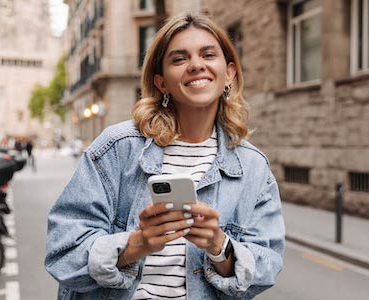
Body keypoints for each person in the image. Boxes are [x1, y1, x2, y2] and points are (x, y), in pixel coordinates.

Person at [45, 13, 285, 299]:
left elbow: (267, 267)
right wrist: (137, 244)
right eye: (179, 59)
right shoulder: (117, 147)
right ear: (161, 82)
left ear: (229, 74)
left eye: (208, 54)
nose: (196, 65)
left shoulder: (253, 167)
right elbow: (63, 251)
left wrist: (220, 247)